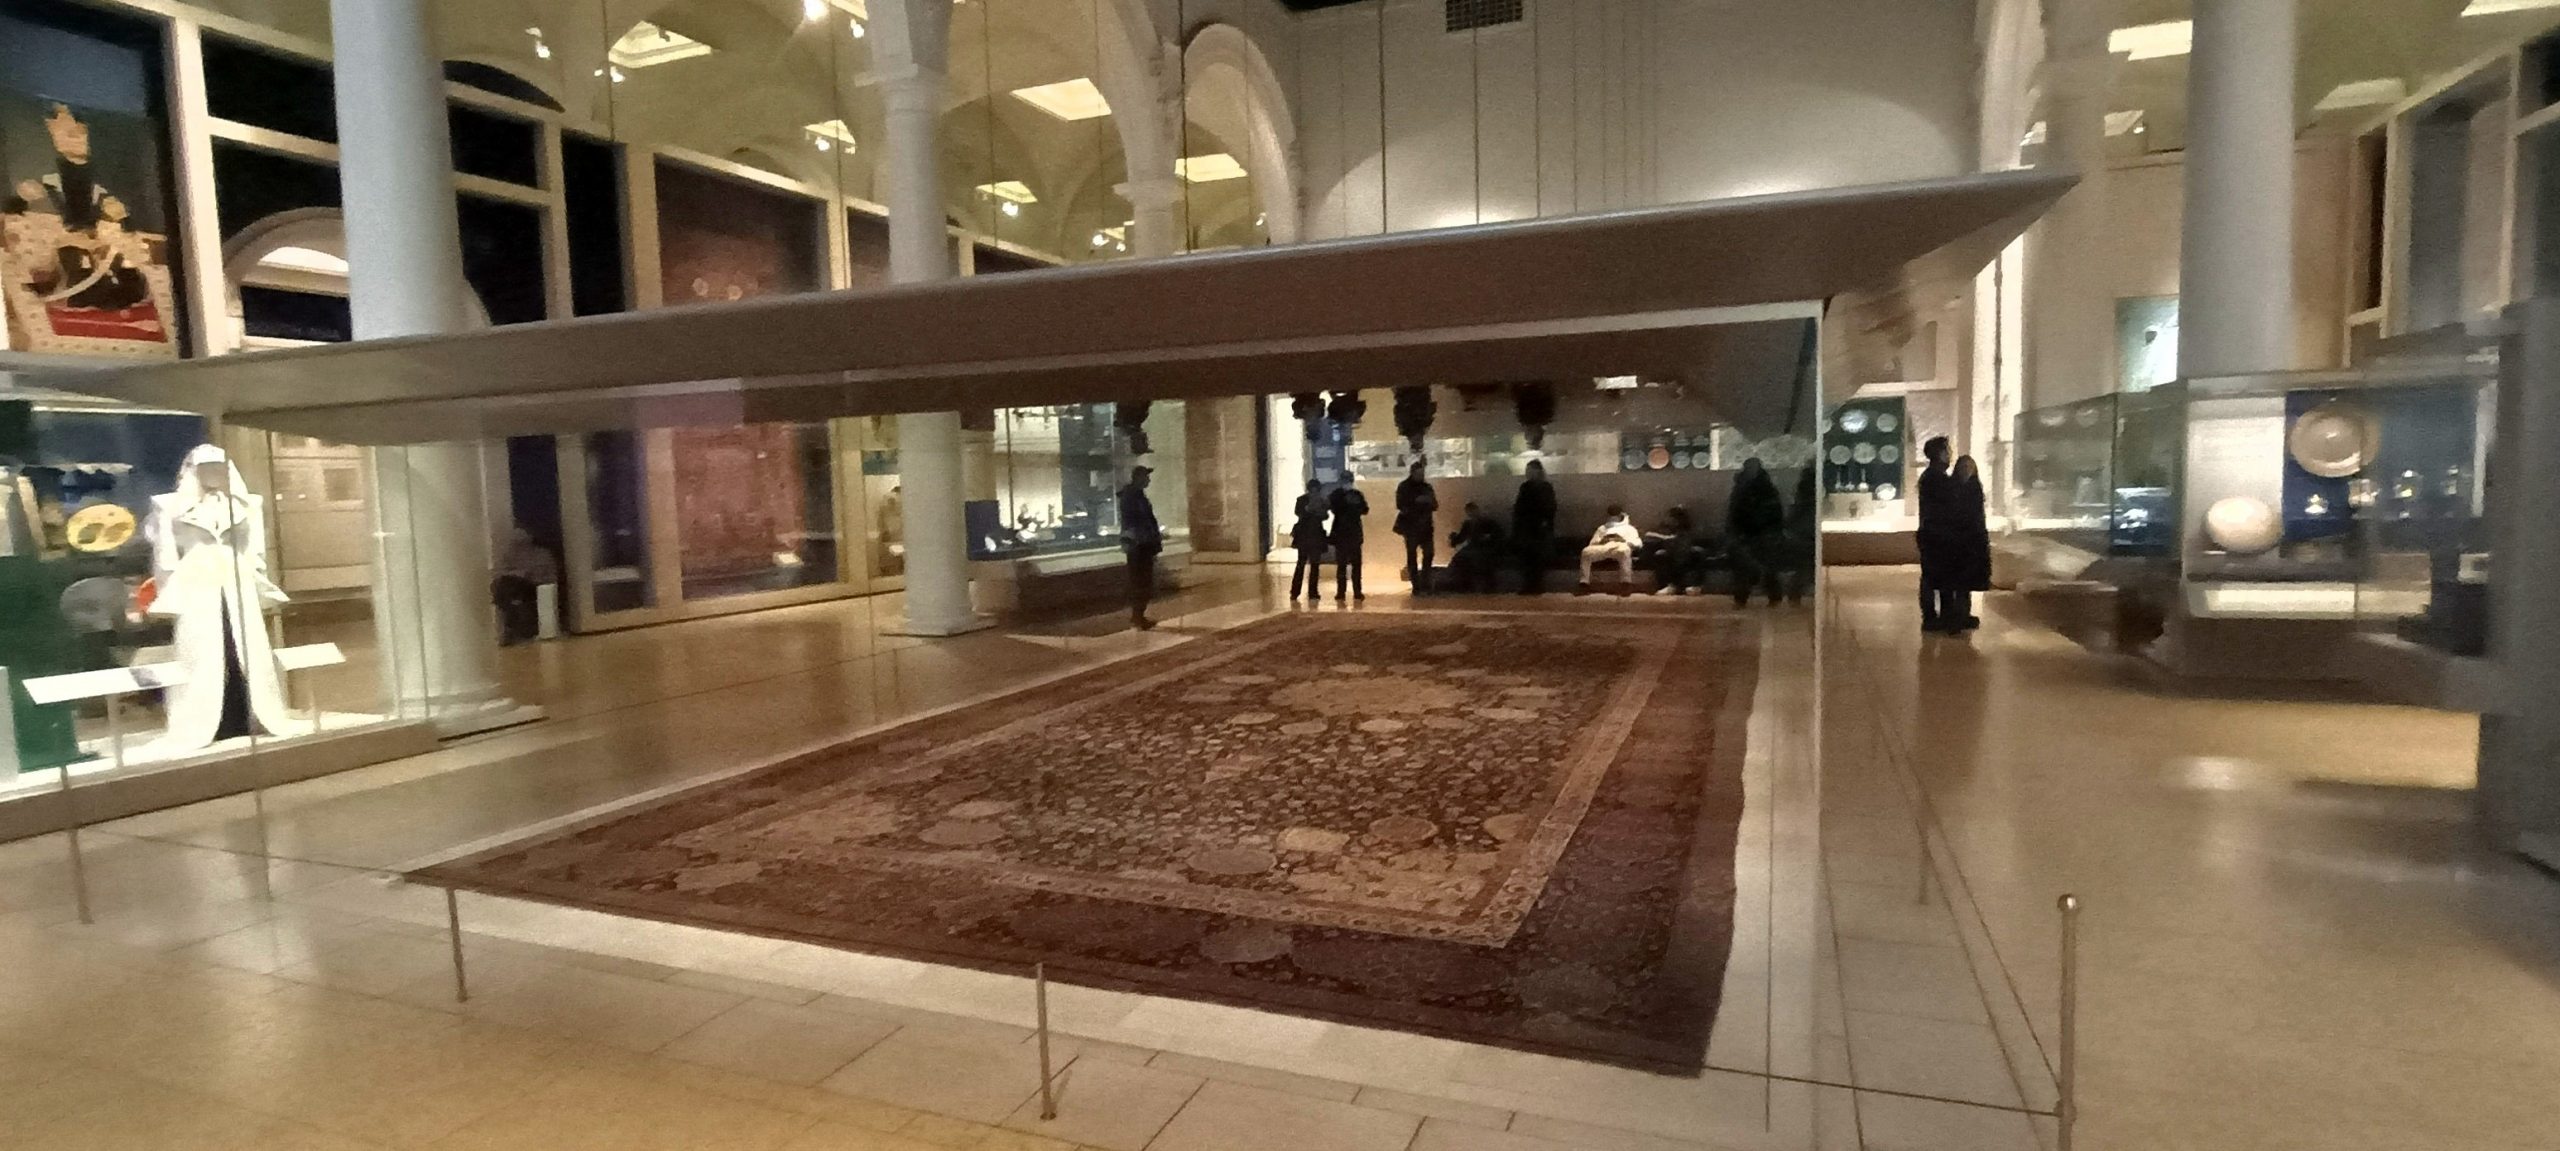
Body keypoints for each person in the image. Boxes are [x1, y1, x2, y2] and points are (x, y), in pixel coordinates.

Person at [1725, 457, 1787, 607]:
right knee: (1761, 566)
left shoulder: (1742, 488)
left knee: (1750, 567)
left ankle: (1743, 599)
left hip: (1753, 531)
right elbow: (1775, 510)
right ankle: (1769, 597)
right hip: (1758, 531)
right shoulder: (1765, 488)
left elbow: (1734, 510)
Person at [1915, 436, 1962, 632]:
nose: (1949, 455)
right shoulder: (1936, 479)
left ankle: (1939, 615)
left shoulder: (1932, 477)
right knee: (1938, 577)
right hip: (1938, 534)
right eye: (1946, 451)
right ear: (1939, 454)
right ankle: (1937, 616)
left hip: (1934, 533)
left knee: (1936, 576)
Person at [1944, 455, 1992, 631]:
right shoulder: (1954, 489)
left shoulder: (1974, 488)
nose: (1966, 471)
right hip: (1957, 540)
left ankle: (1963, 614)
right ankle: (1954, 616)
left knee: (1965, 582)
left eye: (1969, 467)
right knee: (1956, 581)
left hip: (1971, 541)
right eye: (1963, 467)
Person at [492, 527, 559, 645]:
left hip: (535, 588)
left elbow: (549, 577)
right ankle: (514, 622)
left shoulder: (541, 554)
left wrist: (528, 575)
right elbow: (500, 572)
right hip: (515, 588)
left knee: (513, 590)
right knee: (506, 587)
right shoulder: (510, 556)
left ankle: (522, 628)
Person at [1118, 465, 1162, 630]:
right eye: (1146, 477)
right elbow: (1140, 521)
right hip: (1139, 544)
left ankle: (1138, 616)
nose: (1148, 480)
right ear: (1139, 478)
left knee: (1142, 581)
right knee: (1140, 581)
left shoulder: (1136, 496)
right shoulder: (1133, 497)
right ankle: (1138, 617)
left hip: (1141, 543)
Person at [1511, 460, 1557, 595]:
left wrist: (1544, 522)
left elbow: (1549, 508)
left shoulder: (1541, 487)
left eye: (1529, 470)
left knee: (1536, 558)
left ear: (1537, 471)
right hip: (1528, 528)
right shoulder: (1530, 487)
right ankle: (1529, 585)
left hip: (1536, 528)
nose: (1527, 473)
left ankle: (1535, 585)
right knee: (1527, 558)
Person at [1393, 461, 1439, 593]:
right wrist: (1416, 502)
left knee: (1429, 554)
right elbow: (1400, 504)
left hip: (1425, 526)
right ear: (1412, 473)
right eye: (1419, 473)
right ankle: (1416, 584)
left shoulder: (1426, 487)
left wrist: (1427, 502)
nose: (1421, 476)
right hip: (1411, 526)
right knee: (1412, 555)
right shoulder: (1404, 487)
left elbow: (1435, 505)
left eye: (1422, 473)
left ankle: (1425, 581)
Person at [1643, 505, 1708, 596]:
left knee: (1698, 552)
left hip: (1684, 553)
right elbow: (1648, 535)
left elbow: (1683, 540)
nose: (1670, 520)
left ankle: (1695, 586)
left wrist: (1670, 540)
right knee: (1660, 554)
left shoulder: (1686, 529)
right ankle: (1668, 585)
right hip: (1670, 553)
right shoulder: (1664, 527)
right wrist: (1664, 538)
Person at [1578, 506, 1644, 592]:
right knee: (1586, 552)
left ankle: (1625, 581)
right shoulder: (1602, 528)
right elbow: (1593, 542)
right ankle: (1584, 581)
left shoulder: (1629, 528)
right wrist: (1602, 540)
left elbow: (1637, 542)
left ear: (1621, 516)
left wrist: (1622, 540)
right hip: (1602, 547)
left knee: (1625, 551)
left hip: (1619, 546)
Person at [1446, 502, 1505, 593]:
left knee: (1476, 559)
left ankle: (1481, 585)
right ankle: (1464, 584)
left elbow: (1498, 535)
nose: (1472, 514)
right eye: (1469, 512)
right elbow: (1461, 537)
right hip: (1474, 547)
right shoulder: (1468, 524)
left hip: (1484, 547)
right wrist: (1454, 539)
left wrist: (1488, 538)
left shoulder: (1488, 523)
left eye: (1472, 511)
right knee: (1461, 559)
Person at [1287, 479, 1330, 602]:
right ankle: (1297, 591)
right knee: (1302, 564)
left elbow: (1325, 516)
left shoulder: (1320, 500)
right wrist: (1309, 509)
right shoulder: (1302, 500)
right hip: (1307, 535)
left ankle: (1311, 592)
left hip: (1311, 535)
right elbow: (1298, 512)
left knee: (1312, 565)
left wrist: (1320, 510)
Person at [1328, 481, 1371, 602]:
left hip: (1353, 534)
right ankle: (1341, 592)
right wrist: (1347, 502)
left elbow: (1365, 510)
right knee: (1342, 565)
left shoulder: (1356, 494)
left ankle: (1356, 592)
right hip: (1342, 534)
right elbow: (1334, 509)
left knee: (1355, 565)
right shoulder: (1338, 494)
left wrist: (1356, 504)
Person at [1784, 467, 1819, 604]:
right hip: (1807, 533)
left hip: (1801, 533)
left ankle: (1795, 593)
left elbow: (1794, 515)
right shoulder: (1810, 496)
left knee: (1804, 566)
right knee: (1807, 566)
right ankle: (1795, 593)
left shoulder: (1802, 494)